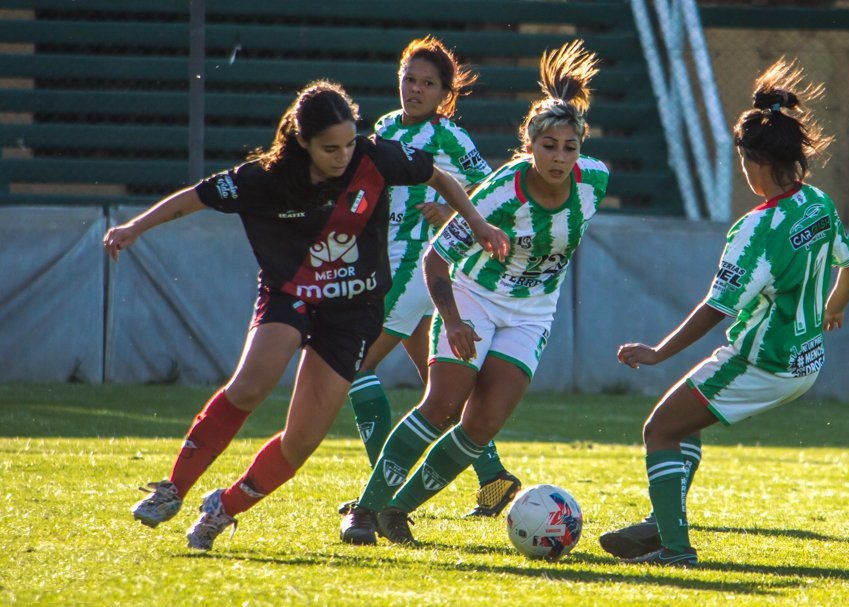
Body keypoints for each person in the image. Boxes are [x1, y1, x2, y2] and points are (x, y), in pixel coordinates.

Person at [106, 79, 509, 551]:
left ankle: (222, 509)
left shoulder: (374, 156)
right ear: (302, 142)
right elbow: (195, 196)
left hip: (354, 312)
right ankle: (173, 488)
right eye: (329, 148)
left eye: (348, 143)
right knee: (252, 384)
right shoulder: (265, 177)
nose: (343, 156)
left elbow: (439, 177)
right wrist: (134, 227)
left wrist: (477, 222)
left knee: (300, 442)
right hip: (289, 296)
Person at [599, 58, 849, 567]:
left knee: (659, 430)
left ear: (753, 161)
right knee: (685, 425)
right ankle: (664, 521)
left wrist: (657, 352)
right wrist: (834, 308)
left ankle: (674, 546)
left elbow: (715, 308)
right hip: (805, 361)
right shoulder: (818, 204)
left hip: (762, 362)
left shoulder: (755, 229)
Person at [340, 39, 607, 546]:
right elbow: (436, 260)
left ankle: (398, 508)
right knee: (438, 400)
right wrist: (456, 319)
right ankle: (367, 509)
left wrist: (453, 212)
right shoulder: (502, 190)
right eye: (548, 146)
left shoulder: (593, 180)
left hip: (532, 314)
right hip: (472, 299)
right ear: (528, 146)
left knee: (481, 422)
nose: (558, 157)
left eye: (569, 148)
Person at [343, 36, 520, 520]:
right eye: (409, 79)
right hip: (391, 264)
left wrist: (448, 211)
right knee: (436, 387)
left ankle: (377, 489)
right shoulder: (383, 127)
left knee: (354, 366)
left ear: (445, 93)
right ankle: (494, 480)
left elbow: (489, 190)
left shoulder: (450, 138)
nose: (415, 89)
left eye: (427, 83)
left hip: (421, 269)